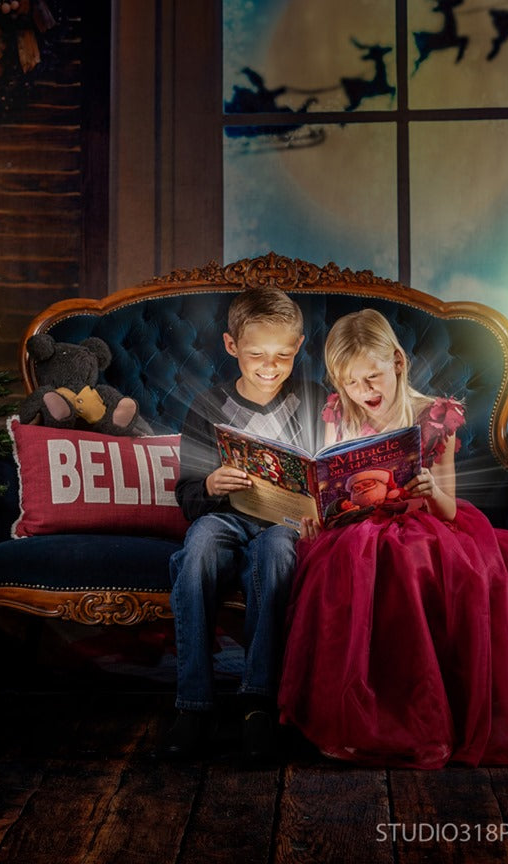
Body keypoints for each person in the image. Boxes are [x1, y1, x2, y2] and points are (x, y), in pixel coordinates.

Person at [278, 309, 508, 769]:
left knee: (407, 558)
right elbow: (331, 487)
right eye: (352, 383)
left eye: (372, 377)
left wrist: (432, 492)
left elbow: (451, 508)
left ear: (396, 362)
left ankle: (422, 716)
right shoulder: (339, 412)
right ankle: (362, 715)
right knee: (351, 555)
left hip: (426, 525)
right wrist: (317, 515)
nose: (364, 392)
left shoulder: (434, 417)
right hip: (356, 529)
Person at [161, 287, 325, 760]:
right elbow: (188, 497)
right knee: (198, 550)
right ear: (232, 346)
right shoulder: (209, 407)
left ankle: (258, 703)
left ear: (298, 348)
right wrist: (211, 483)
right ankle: (194, 704)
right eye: (256, 354)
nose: (270, 366)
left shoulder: (313, 401)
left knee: (276, 555)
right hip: (226, 518)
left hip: (286, 525)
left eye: (283, 355)